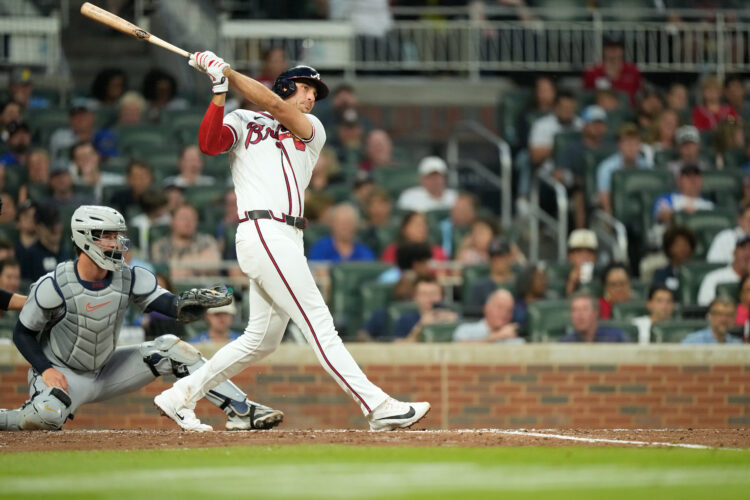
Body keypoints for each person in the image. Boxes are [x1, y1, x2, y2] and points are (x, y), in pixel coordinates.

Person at [154, 52, 430, 432]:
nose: (311, 97)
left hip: (287, 236)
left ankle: (179, 395)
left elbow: (274, 106)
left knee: (261, 340)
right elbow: (209, 144)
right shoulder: (243, 119)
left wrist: (226, 72)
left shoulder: (312, 128)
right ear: (285, 86)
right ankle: (377, 405)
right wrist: (219, 89)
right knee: (320, 324)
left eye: (315, 93)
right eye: (305, 88)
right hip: (262, 229)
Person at [0, 205, 283, 431]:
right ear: (86, 238)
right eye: (108, 236)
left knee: (173, 349)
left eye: (117, 236)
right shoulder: (54, 284)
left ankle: (242, 410)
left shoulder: (129, 276)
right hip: (62, 374)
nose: (117, 243)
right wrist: (45, 370)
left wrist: (188, 302)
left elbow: (168, 304)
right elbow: (22, 333)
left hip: (106, 369)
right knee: (47, 416)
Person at [150, 204, 222, 280]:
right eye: (183, 218)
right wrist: (197, 264)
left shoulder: (207, 241)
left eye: (192, 218)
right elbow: (162, 271)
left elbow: (214, 266)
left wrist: (178, 265)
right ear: (172, 221)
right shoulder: (160, 245)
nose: (188, 222)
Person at [596, 123, 653, 214]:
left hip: (640, 214)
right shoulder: (607, 168)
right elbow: (605, 202)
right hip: (614, 214)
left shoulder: (646, 166)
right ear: (619, 145)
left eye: (635, 144)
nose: (631, 148)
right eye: (628, 144)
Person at [16, 203, 71, 283]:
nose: (55, 228)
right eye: (49, 225)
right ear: (38, 227)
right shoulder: (29, 256)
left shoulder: (67, 252)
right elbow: (25, 286)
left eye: (57, 223)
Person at [583, 34, 642, 106]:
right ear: (604, 49)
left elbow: (639, 95)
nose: (613, 50)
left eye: (617, 47)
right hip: (600, 111)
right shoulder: (593, 72)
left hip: (627, 110)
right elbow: (586, 97)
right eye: (610, 47)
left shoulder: (633, 71)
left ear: (622, 50)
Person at [393, 276, 457, 342]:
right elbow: (398, 345)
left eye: (433, 294)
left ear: (441, 296)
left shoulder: (451, 315)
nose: (429, 298)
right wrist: (420, 327)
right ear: (415, 297)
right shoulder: (405, 320)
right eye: (424, 294)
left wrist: (454, 324)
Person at [466, 236, 517, 316]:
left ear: (509, 256)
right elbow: (471, 314)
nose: (497, 261)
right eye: (493, 257)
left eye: (501, 256)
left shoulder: (519, 283)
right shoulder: (480, 286)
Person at [308, 202, 375, 262]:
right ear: (332, 224)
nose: (344, 227)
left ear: (355, 226)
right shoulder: (321, 248)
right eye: (340, 223)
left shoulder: (364, 252)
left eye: (348, 223)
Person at [453, 289, 524, 344]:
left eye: (509, 310)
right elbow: (460, 348)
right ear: (486, 308)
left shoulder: (514, 340)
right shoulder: (465, 330)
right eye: (500, 307)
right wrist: (497, 336)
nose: (504, 314)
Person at [698, 234, 750, 306]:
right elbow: (705, 307)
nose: (747, 253)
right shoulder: (714, 278)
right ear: (734, 253)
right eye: (743, 248)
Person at [560, 292, 630, 343]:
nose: (579, 315)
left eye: (585, 309)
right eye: (575, 310)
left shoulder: (616, 339)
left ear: (596, 313)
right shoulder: (565, 343)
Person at [380, 211, 447, 264]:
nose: (422, 229)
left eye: (424, 225)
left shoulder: (437, 252)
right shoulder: (392, 252)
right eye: (417, 225)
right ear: (404, 229)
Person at [652, 225, 697, 292]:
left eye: (685, 245)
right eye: (678, 245)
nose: (682, 249)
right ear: (669, 248)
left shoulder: (698, 274)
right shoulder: (661, 274)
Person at [564, 229, 598, 297]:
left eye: (589, 251)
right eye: (579, 251)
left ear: (595, 256)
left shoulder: (604, 278)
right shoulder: (561, 278)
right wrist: (571, 283)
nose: (585, 256)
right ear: (570, 256)